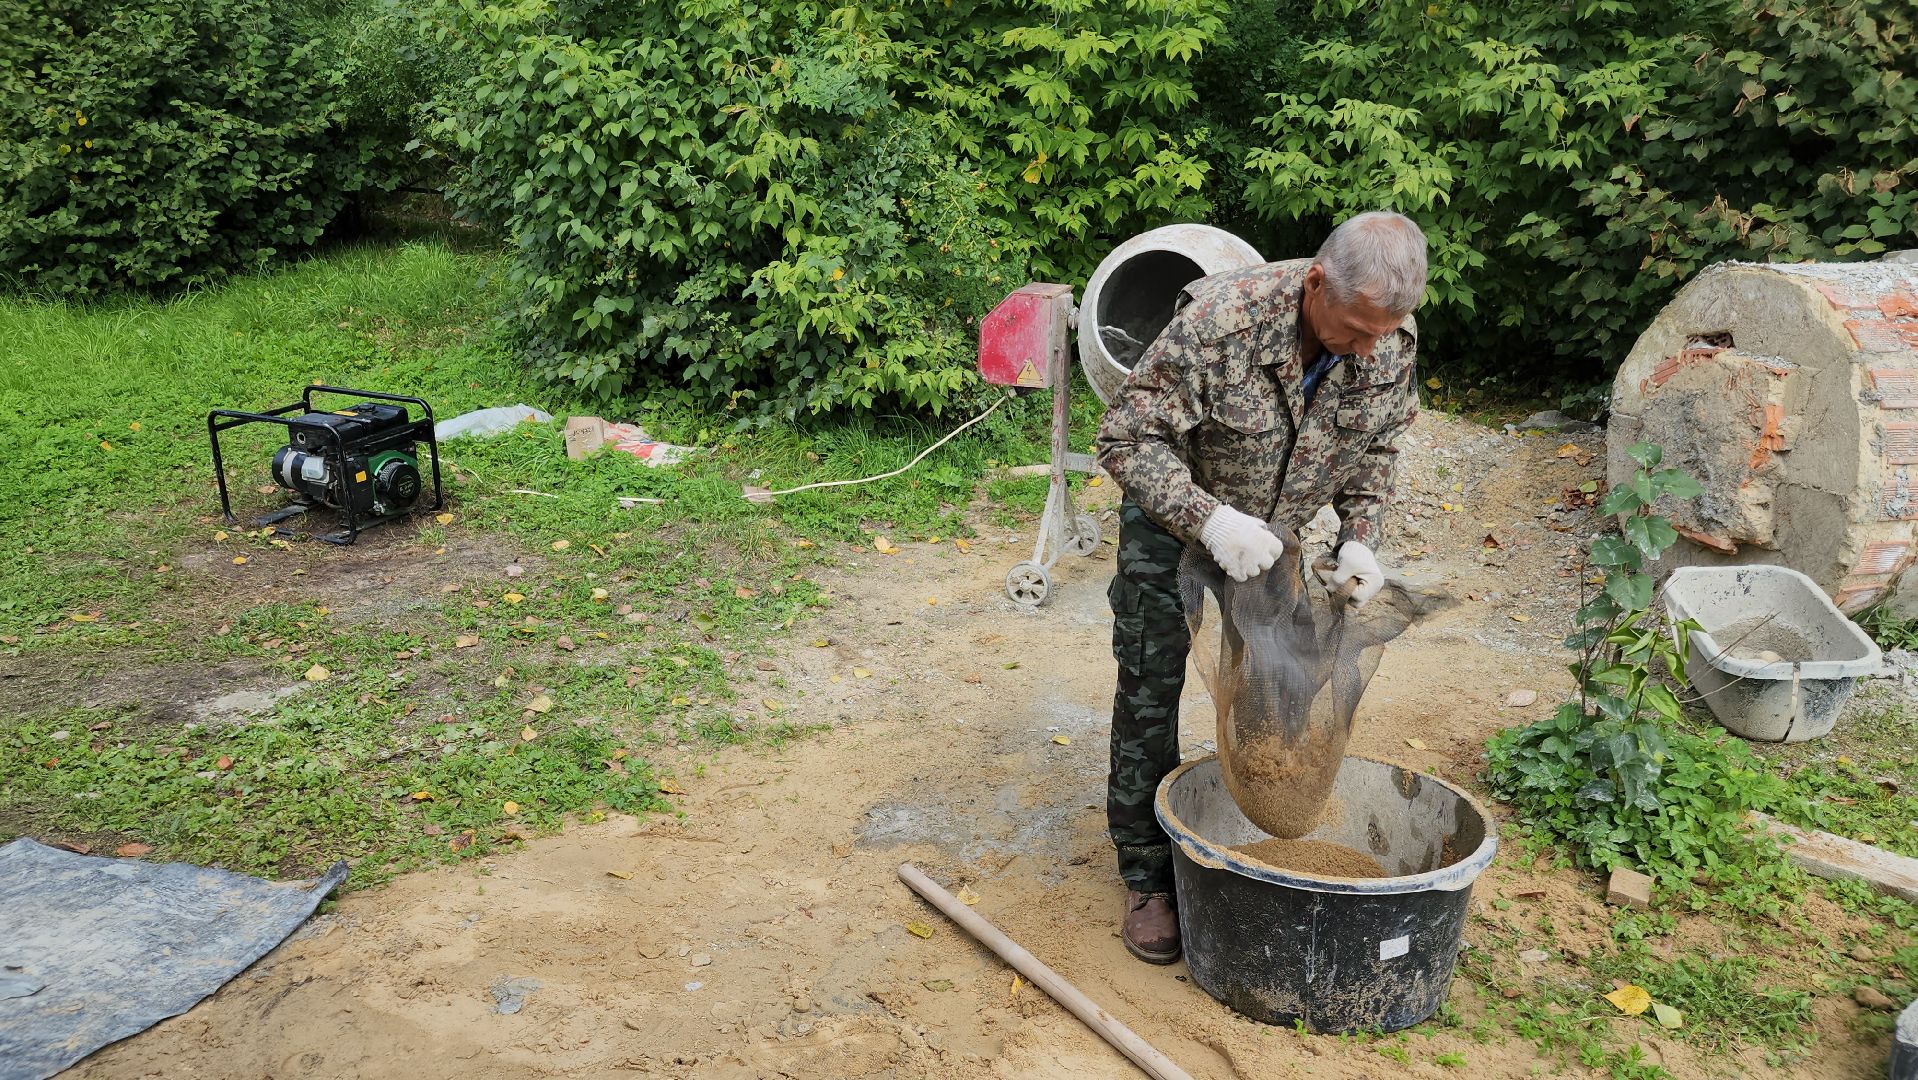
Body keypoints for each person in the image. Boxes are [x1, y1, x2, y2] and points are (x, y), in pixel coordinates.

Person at [1092, 211, 1429, 963]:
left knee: (1276, 688)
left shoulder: (1387, 338)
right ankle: (1147, 873)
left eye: (1386, 332)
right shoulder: (1220, 322)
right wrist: (1207, 520)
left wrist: (1359, 537)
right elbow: (1124, 438)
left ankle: (1249, 820)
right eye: (1356, 328)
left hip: (1274, 538)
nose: (1370, 347)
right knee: (1151, 682)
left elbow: (1376, 446)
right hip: (1176, 522)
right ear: (1315, 284)